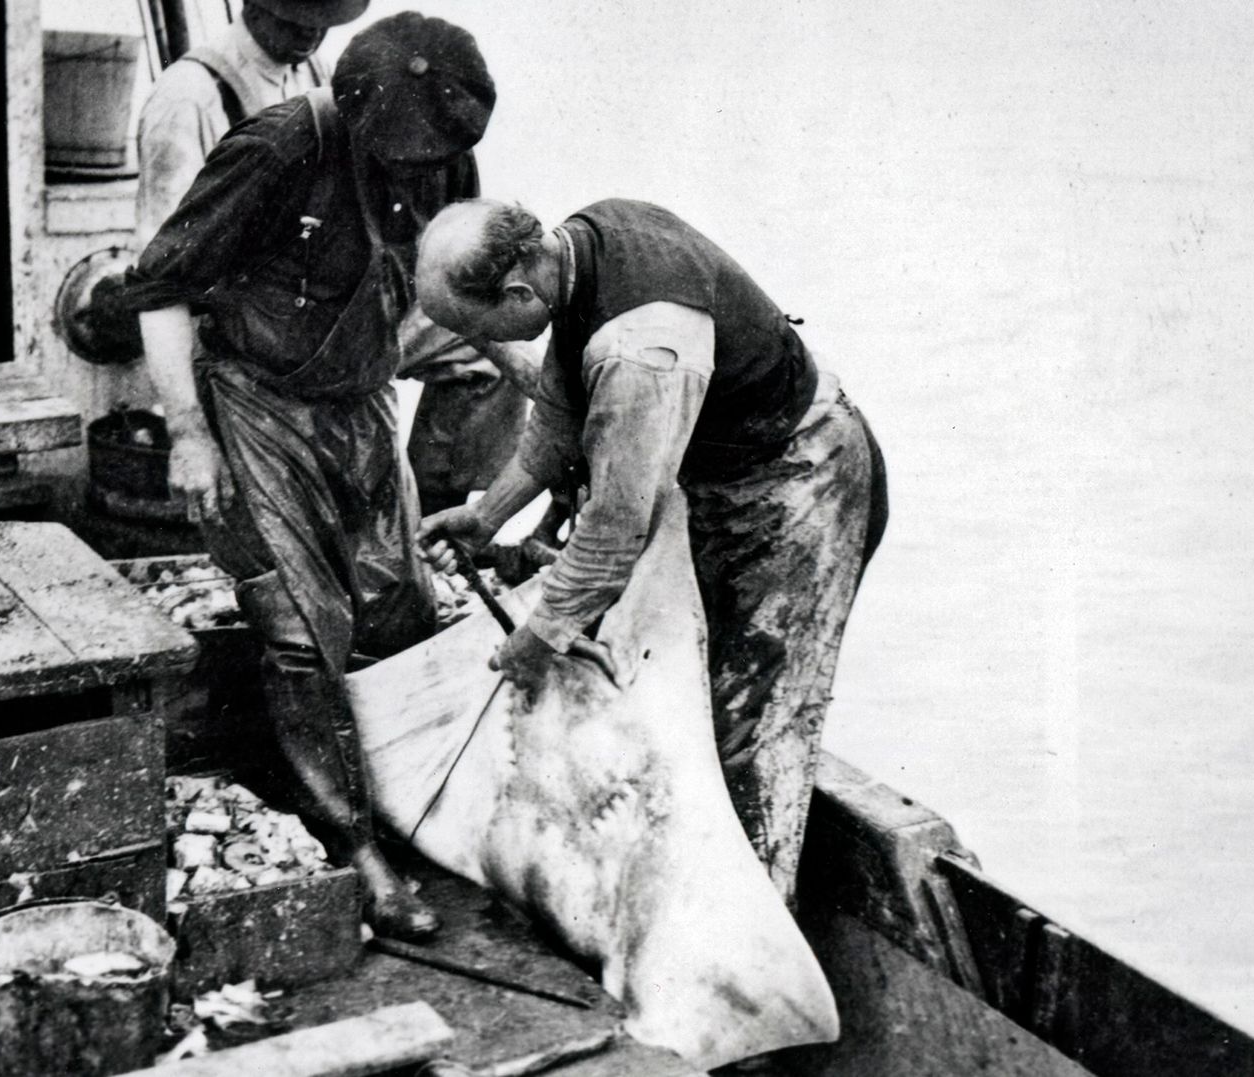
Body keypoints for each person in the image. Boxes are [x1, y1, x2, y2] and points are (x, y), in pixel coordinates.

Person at [124, 13, 496, 940]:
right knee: (299, 627)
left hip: (360, 399)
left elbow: (458, 282)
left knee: (398, 604)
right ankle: (354, 845)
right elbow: (160, 285)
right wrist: (186, 433)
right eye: (401, 157)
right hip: (255, 400)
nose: (419, 173)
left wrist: (549, 401)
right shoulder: (274, 148)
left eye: (435, 159)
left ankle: (414, 803)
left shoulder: (447, 150)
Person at [414, 198, 888, 897]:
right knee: (696, 688)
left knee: (754, 718)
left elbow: (615, 525)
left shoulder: (641, 347)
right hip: (723, 472)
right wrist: (487, 516)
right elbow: (559, 412)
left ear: (517, 292)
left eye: (470, 327)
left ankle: (749, 922)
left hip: (801, 481)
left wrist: (542, 632)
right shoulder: (577, 245)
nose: (467, 341)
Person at [133, 0, 366, 251]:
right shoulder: (188, 94)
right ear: (253, 8)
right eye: (295, 17)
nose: (312, 30)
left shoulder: (316, 71)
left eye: (324, 16)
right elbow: (164, 247)